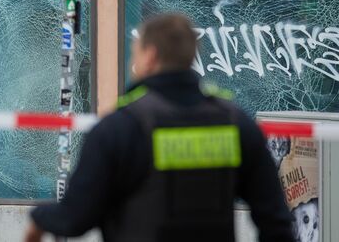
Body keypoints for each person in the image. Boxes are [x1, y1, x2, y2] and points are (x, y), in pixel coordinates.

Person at [24, 14, 294, 242]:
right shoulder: (237, 124)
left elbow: (75, 218)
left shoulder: (120, 129)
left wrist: (39, 218)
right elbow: (275, 221)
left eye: (135, 52)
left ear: (150, 56)